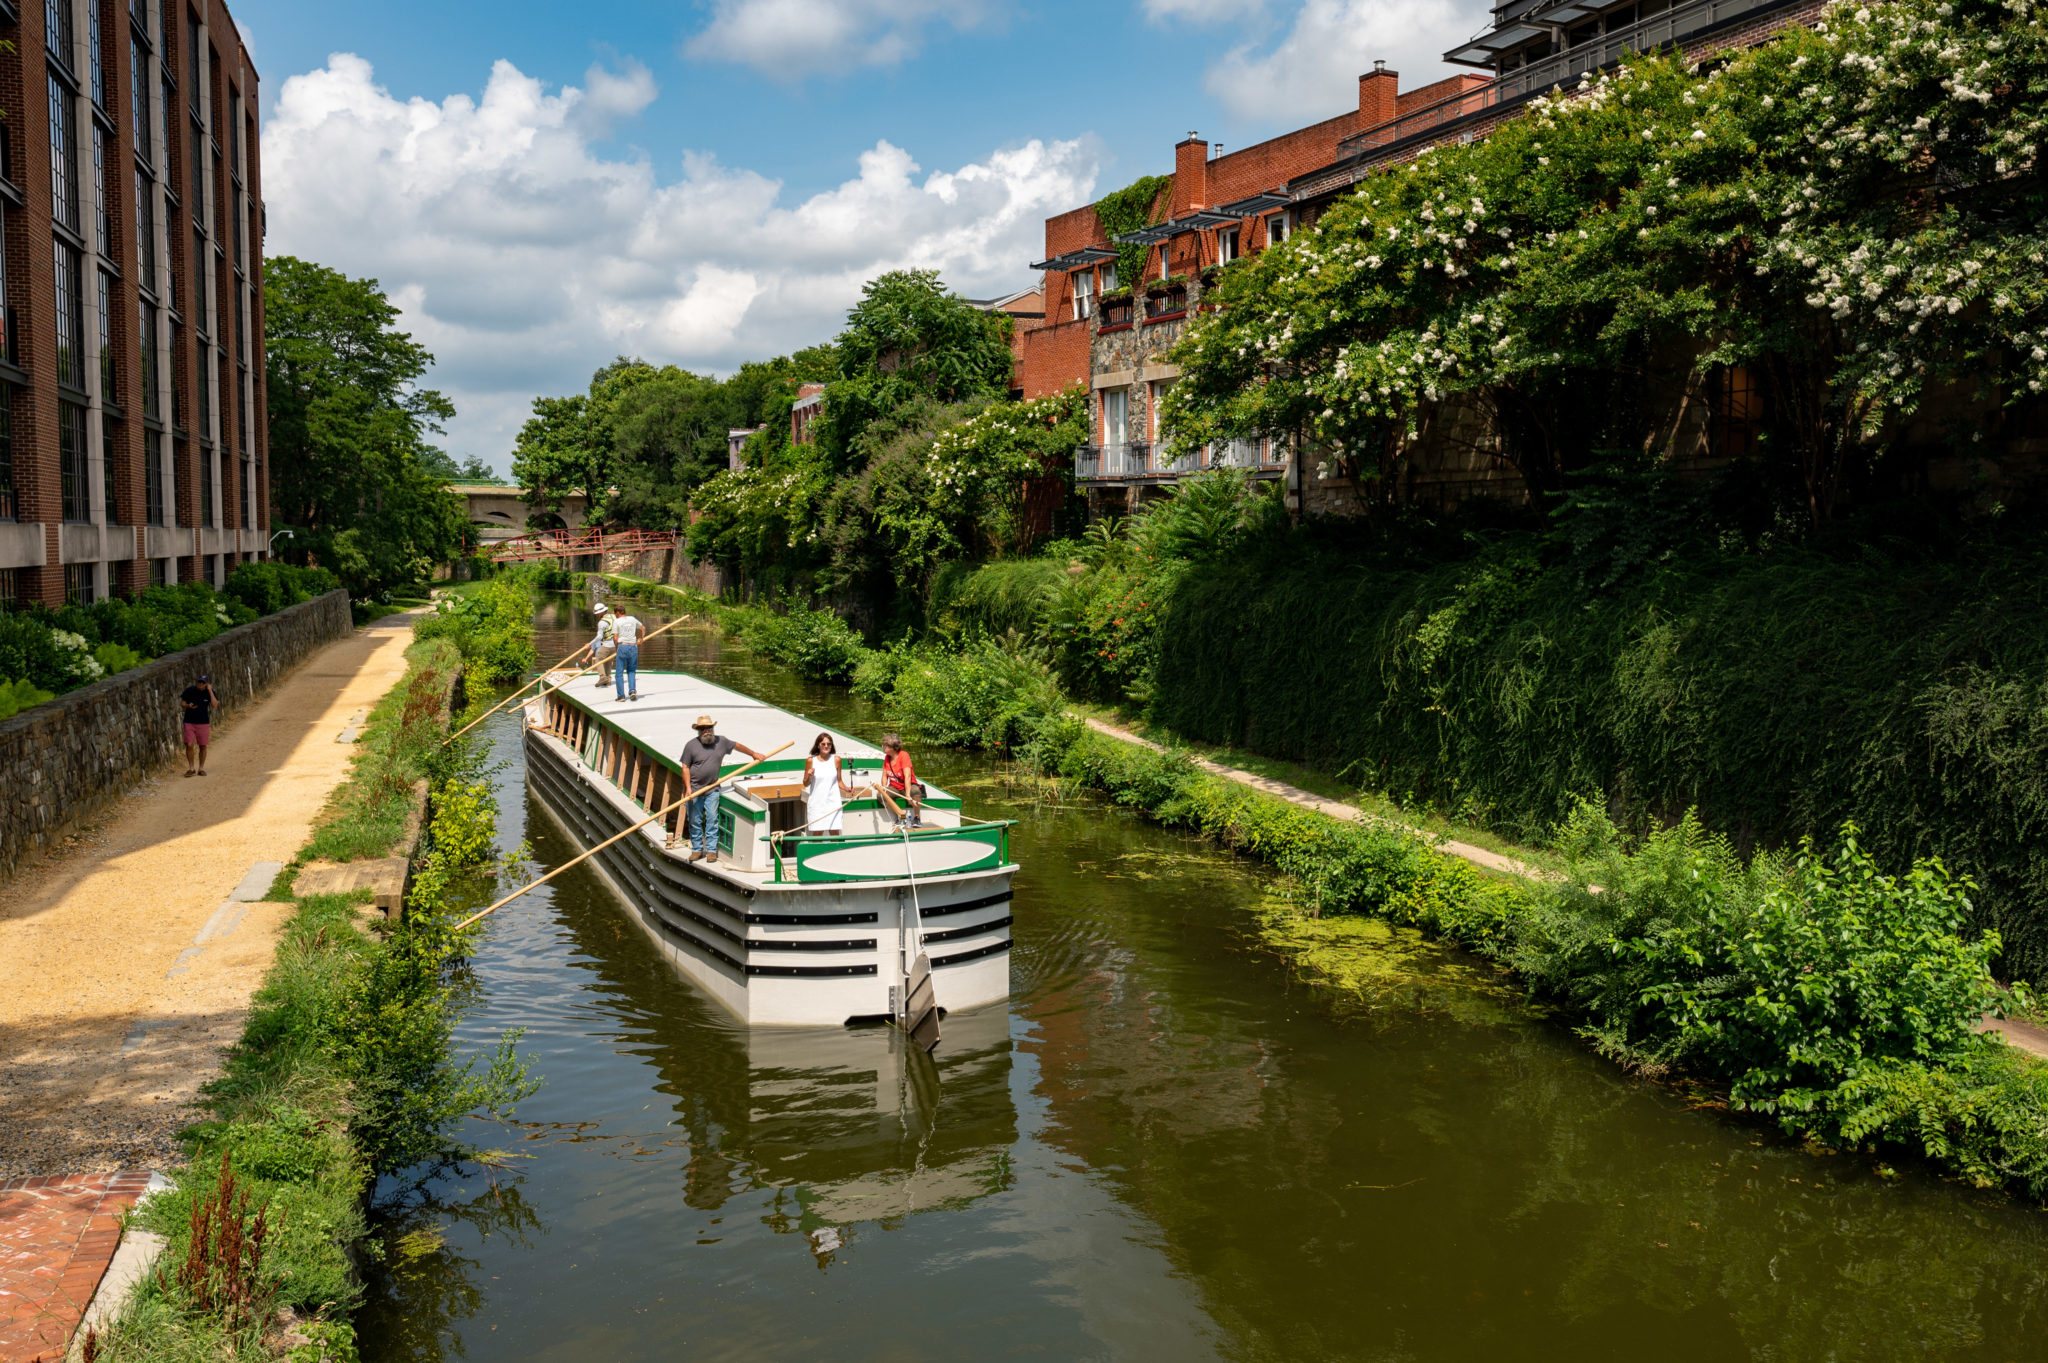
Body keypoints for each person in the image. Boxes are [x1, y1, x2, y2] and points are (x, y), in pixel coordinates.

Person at [677, 715, 764, 864]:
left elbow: (737, 745)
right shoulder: (691, 745)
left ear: (713, 728)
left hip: (712, 789)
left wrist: (754, 754)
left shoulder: (721, 742)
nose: (706, 731)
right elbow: (685, 767)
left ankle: (711, 851)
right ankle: (697, 849)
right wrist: (688, 789)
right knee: (694, 821)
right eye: (703, 729)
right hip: (695, 790)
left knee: (712, 819)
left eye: (709, 728)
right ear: (698, 730)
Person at [802, 733, 851, 837]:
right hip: (817, 803)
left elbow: (839, 781)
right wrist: (809, 776)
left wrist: (847, 789)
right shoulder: (810, 761)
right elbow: (805, 783)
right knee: (817, 833)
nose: (826, 746)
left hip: (833, 802)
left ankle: (835, 853)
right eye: (823, 744)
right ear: (818, 745)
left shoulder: (837, 760)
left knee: (834, 832)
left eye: (829, 744)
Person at [180, 673, 219, 777]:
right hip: (189, 721)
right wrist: (188, 705)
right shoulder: (190, 690)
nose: (200, 684)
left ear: (207, 684)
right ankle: (191, 768)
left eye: (202, 682)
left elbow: (214, 705)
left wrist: (210, 691)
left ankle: (201, 768)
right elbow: (182, 703)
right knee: (189, 744)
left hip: (203, 722)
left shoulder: (209, 692)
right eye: (199, 682)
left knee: (203, 745)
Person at [881, 732, 923, 827]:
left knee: (915, 792)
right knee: (881, 796)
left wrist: (908, 794)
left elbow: (907, 776)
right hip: (894, 787)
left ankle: (917, 817)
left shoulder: (904, 755)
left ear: (892, 747)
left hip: (905, 786)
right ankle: (900, 816)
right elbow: (884, 775)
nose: (882, 746)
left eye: (884, 745)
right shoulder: (887, 758)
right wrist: (883, 788)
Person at [612, 608, 644, 702]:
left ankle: (621, 696)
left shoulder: (616, 621)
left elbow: (615, 638)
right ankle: (632, 691)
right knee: (631, 671)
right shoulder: (633, 619)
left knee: (619, 673)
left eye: (615, 614)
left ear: (618, 612)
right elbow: (643, 628)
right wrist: (641, 638)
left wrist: (616, 648)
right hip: (633, 647)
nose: (615, 615)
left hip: (623, 646)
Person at [591, 604, 616, 691]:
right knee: (608, 661)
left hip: (607, 644)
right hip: (615, 645)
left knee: (598, 660)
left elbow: (599, 637)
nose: (597, 615)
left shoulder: (601, 622)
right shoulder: (613, 616)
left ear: (602, 612)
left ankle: (602, 677)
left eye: (598, 613)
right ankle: (608, 680)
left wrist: (590, 644)